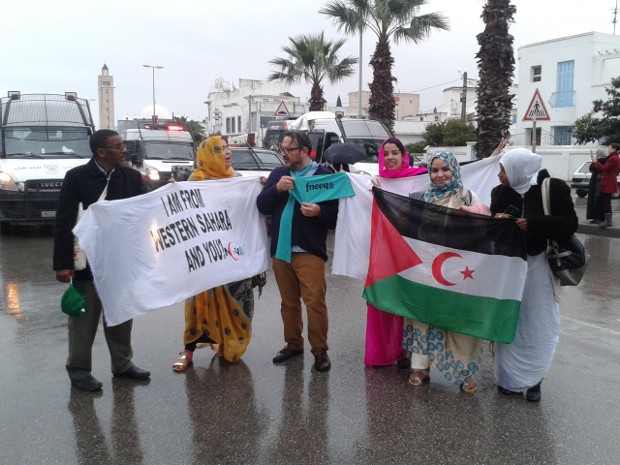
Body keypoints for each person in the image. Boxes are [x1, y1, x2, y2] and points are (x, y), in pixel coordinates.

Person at [53, 129, 150, 391]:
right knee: (83, 321)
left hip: (120, 261)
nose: (124, 150)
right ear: (101, 152)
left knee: (120, 316)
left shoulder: (131, 177)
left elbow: (144, 212)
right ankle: (79, 372)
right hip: (87, 261)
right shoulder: (76, 178)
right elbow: (64, 220)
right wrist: (63, 264)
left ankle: (123, 364)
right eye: (118, 146)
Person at [491, 148, 578, 402]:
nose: (499, 175)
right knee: (510, 320)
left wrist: (534, 225)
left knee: (537, 323)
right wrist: (497, 220)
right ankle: (508, 379)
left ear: (519, 169)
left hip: (539, 268)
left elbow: (570, 223)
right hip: (509, 268)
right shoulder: (499, 193)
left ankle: (534, 380)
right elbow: (492, 227)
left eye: (503, 170)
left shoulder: (552, 189)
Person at [403, 151, 489, 394]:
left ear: (454, 170)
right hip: (425, 269)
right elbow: (407, 230)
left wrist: (471, 214)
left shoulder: (468, 196)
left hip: (457, 272)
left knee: (459, 322)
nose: (439, 175)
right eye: (434, 170)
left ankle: (465, 372)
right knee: (422, 318)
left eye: (445, 169)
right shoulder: (421, 199)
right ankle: (420, 367)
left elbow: (484, 230)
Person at [172, 136, 258, 371]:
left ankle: (227, 343)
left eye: (228, 148)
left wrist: (261, 187)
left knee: (236, 298)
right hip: (206, 255)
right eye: (220, 149)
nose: (227, 152)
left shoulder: (238, 180)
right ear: (208, 155)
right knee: (199, 303)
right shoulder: (195, 182)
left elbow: (249, 211)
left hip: (234, 253)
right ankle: (188, 350)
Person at [256, 131, 338, 372]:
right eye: (282, 149)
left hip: (308, 250)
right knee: (288, 304)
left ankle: (320, 351)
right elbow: (262, 205)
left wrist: (319, 212)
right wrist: (277, 189)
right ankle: (293, 344)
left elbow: (336, 215)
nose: (284, 154)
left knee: (315, 303)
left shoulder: (323, 175)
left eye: (289, 150)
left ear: (304, 151)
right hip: (281, 250)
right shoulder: (279, 174)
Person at [365, 138, 427, 368]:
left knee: (407, 301)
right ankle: (384, 351)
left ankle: (406, 352)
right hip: (384, 252)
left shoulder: (420, 178)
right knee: (382, 300)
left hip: (411, 250)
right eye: (386, 154)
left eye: (395, 153)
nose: (390, 158)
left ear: (403, 156)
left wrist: (491, 159)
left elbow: (454, 176)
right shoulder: (374, 182)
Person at [591, 143, 620, 229]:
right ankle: (607, 220)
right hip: (609, 181)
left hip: (608, 182)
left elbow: (603, 168)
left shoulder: (613, 158)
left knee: (606, 202)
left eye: (610, 148)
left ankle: (608, 221)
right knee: (605, 201)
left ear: (614, 149)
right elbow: (617, 171)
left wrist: (595, 162)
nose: (608, 149)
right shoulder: (616, 157)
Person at [586, 148, 608, 223]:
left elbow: (591, 168)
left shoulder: (598, 161)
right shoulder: (607, 160)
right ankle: (601, 217)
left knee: (595, 200)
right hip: (603, 182)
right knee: (601, 201)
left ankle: (595, 217)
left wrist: (594, 161)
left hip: (596, 182)